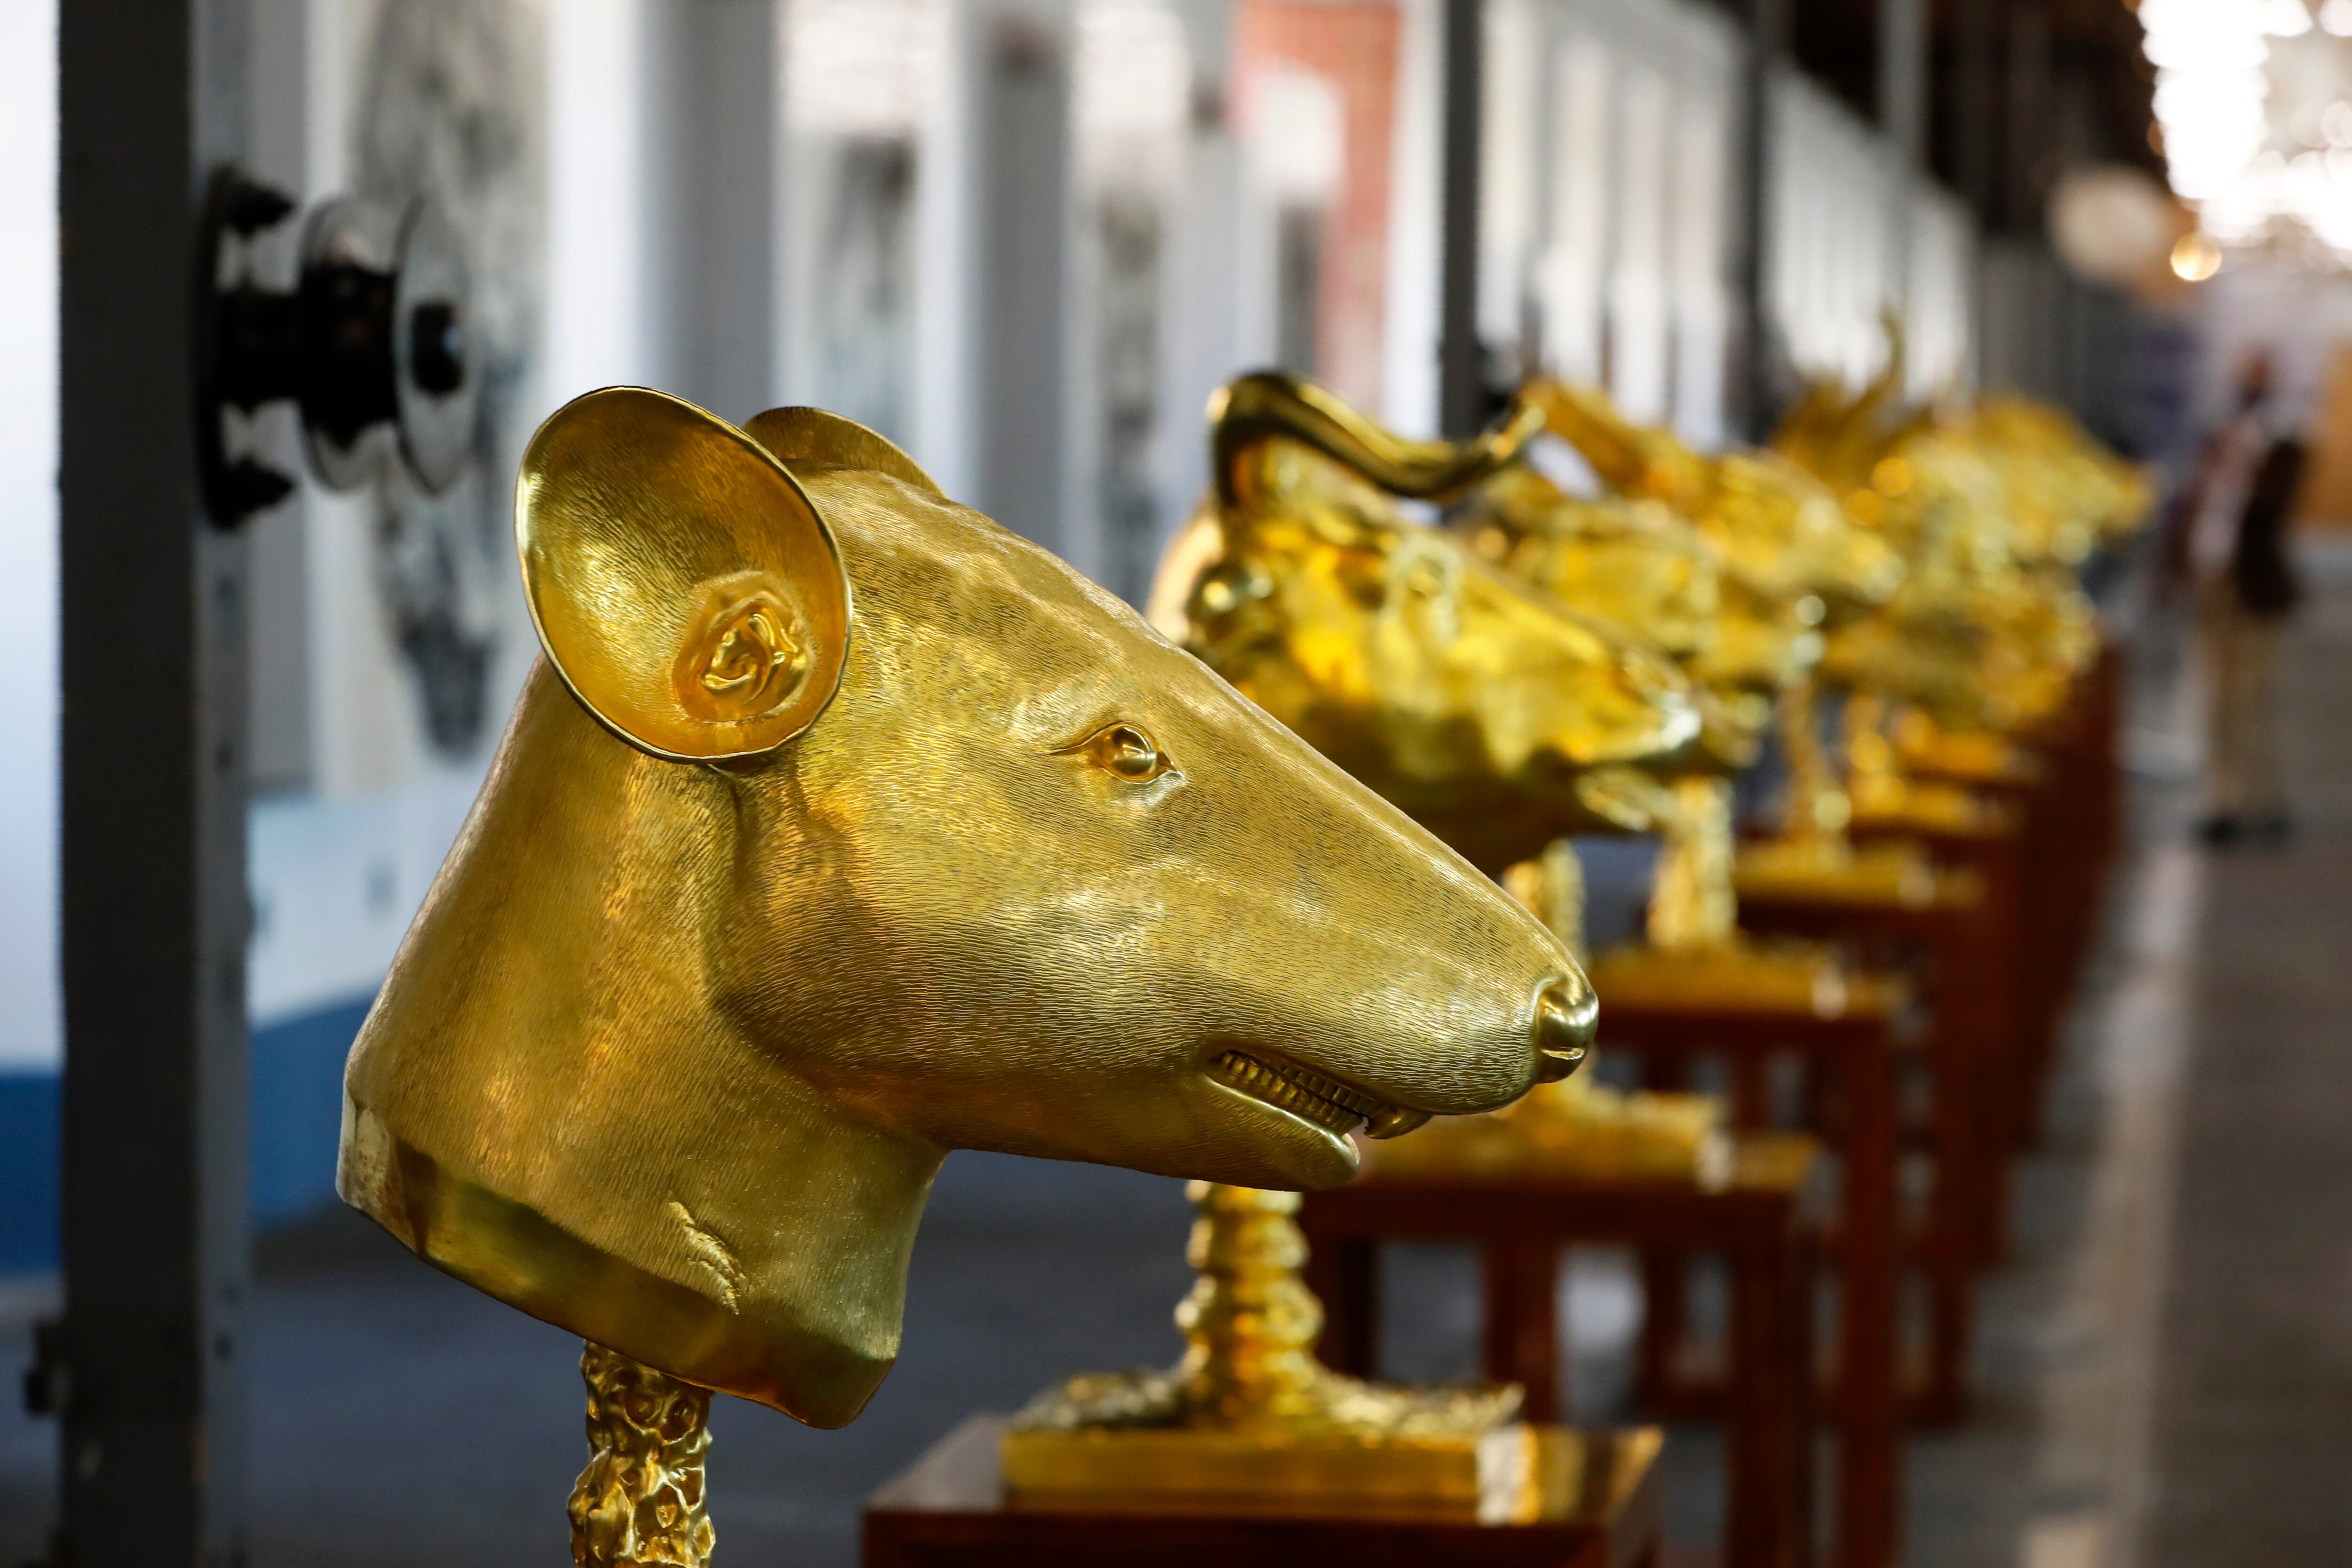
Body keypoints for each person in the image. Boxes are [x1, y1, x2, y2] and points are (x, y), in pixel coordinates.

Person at [2165, 350, 2305, 845]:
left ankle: (2259, 797)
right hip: (2214, 583)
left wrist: (2248, 457)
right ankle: (2221, 796)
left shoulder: (2281, 444)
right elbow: (2197, 511)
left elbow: (2271, 509)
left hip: (2251, 588)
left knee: (2252, 696)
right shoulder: (2220, 439)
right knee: (2217, 696)